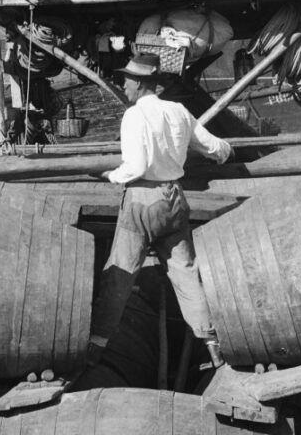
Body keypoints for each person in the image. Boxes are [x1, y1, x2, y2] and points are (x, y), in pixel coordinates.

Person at [86, 54, 234, 373]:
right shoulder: (179, 111)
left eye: (126, 79)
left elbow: (135, 167)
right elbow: (216, 148)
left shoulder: (134, 116)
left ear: (140, 84)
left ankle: (96, 347)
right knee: (186, 272)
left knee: (120, 273)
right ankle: (212, 345)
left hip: (142, 201)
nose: (122, 84)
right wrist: (227, 153)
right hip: (174, 199)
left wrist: (109, 175)